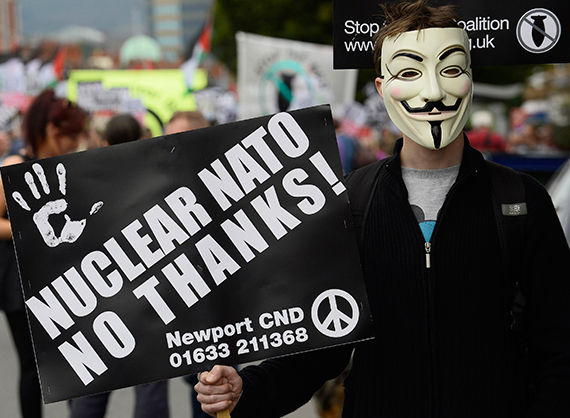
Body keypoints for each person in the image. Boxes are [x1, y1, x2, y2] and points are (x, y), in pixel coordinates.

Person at [194, 1, 570, 417]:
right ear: (380, 87)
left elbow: (560, 345)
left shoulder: (521, 201)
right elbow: (321, 346)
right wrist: (246, 388)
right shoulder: (350, 203)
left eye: (450, 70)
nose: (432, 92)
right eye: (409, 73)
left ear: (469, 79)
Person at [0, 90, 87, 418]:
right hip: (20, 276)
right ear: (52, 130)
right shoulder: (14, 166)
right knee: (32, 366)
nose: (75, 143)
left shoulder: (68, 164)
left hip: (63, 273)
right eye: (72, 135)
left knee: (74, 361)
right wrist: (35, 230)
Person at [133, 110, 212, 418]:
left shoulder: (222, 181)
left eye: (175, 137)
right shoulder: (157, 179)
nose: (167, 144)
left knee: (211, 383)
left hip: (212, 305)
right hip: (171, 298)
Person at [67, 113, 146, 418]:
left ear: (104, 143)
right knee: (150, 378)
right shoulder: (151, 173)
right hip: (146, 288)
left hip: (98, 292)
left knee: (94, 379)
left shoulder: (87, 177)